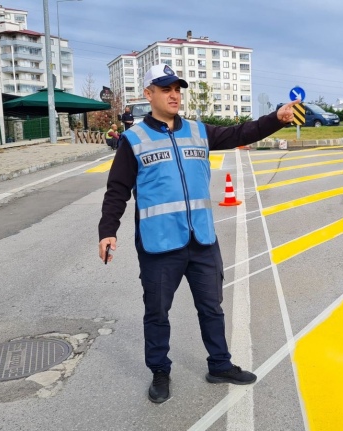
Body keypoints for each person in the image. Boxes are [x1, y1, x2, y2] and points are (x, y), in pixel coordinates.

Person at [97, 63, 297, 404]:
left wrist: (275, 119)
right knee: (157, 313)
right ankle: (160, 371)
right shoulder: (134, 139)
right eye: (165, 89)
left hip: (202, 240)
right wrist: (108, 230)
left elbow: (239, 134)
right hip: (160, 245)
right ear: (149, 95)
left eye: (177, 88)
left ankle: (219, 364)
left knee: (212, 307)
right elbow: (117, 189)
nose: (174, 94)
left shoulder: (197, 131)